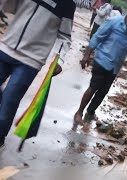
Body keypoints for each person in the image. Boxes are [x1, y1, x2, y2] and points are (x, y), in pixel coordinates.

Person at [0, 0, 76, 150]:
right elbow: (9, 7)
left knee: (9, 100)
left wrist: (59, 59)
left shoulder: (67, 4)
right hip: (6, 47)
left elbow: (64, 36)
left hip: (31, 60)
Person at [73, 7, 127, 130]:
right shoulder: (113, 22)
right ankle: (79, 112)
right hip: (101, 60)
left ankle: (90, 112)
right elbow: (97, 37)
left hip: (115, 67)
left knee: (103, 92)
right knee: (94, 87)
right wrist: (87, 55)